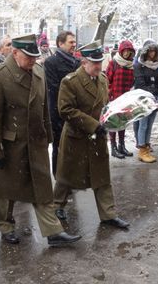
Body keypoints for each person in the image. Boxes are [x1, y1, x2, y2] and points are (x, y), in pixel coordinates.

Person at [0, 34, 81, 246]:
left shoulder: (38, 71)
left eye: (35, 56)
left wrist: (48, 136)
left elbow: (43, 107)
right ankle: (6, 226)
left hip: (35, 142)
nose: (33, 60)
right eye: (29, 57)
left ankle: (53, 231)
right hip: (10, 145)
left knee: (42, 188)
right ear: (15, 53)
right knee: (5, 191)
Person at [53, 41, 130, 229]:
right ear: (83, 63)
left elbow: (104, 107)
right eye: (94, 62)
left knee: (102, 177)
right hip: (76, 137)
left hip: (98, 136)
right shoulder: (70, 82)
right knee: (66, 177)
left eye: (100, 61)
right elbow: (65, 110)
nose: (98, 66)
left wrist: (115, 117)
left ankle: (108, 214)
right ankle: (57, 206)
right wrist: (92, 125)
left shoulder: (103, 80)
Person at [43, 30, 80, 176]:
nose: (74, 45)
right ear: (60, 43)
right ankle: (59, 179)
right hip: (59, 113)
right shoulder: (51, 62)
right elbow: (54, 88)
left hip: (75, 111)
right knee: (59, 147)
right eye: (71, 42)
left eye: (74, 42)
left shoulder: (76, 62)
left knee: (73, 146)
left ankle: (71, 176)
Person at [106, 40, 135, 159]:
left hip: (125, 98)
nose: (127, 53)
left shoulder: (131, 65)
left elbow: (132, 82)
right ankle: (113, 147)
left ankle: (122, 145)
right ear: (121, 51)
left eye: (129, 51)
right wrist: (110, 95)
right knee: (113, 123)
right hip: (114, 98)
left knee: (123, 123)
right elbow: (107, 80)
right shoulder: (113, 63)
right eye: (125, 51)